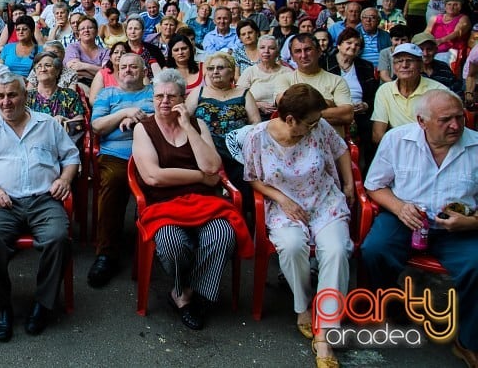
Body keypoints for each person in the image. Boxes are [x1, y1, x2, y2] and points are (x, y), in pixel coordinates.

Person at [362, 89, 478, 367]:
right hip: (406, 217)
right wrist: (400, 207)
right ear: (421, 121)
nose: (455, 126)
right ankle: (390, 307)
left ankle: (469, 341)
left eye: (459, 118)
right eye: (445, 120)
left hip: (459, 225)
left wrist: (472, 222)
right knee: (373, 250)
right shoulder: (397, 139)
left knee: (477, 263)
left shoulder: (475, 145)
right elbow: (374, 185)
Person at [131, 69, 252, 330]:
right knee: (172, 242)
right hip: (163, 204)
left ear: (183, 99)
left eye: (171, 96)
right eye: (159, 96)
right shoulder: (144, 129)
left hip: (204, 202)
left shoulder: (198, 125)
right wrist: (199, 176)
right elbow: (153, 177)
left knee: (222, 235)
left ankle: (198, 295)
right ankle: (181, 289)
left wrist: (187, 126)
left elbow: (213, 166)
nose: (164, 101)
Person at [243, 84, 355, 365]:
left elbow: (341, 150)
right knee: (292, 247)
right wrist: (281, 198)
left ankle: (325, 333)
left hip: (324, 201)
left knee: (337, 250)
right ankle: (302, 305)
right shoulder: (257, 137)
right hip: (285, 205)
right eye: (310, 121)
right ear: (290, 118)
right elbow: (253, 177)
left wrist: (350, 183)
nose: (316, 125)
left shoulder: (319, 129)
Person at [0, 73, 80, 341]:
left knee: (58, 238)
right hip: (4, 201)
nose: (6, 102)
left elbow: (71, 157)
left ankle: (42, 304)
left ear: (25, 96)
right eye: (1, 96)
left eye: (12, 95)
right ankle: (2, 307)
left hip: (44, 200)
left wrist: (64, 178)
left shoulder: (48, 124)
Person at [88, 53, 154, 288]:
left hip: (150, 155)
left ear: (144, 71)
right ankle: (106, 253)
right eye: (123, 66)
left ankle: (152, 246)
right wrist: (123, 114)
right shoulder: (108, 94)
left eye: (133, 67)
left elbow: (167, 121)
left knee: (155, 186)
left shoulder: (154, 93)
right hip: (116, 154)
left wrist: (143, 120)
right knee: (113, 183)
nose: (127, 70)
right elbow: (97, 127)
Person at [186, 52, 261, 206]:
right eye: (211, 68)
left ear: (232, 72)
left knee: (244, 178)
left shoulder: (244, 93)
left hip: (237, 152)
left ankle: (243, 218)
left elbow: (256, 124)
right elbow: (183, 120)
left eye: (220, 68)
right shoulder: (198, 93)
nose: (215, 72)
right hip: (206, 150)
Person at [370, 42, 449, 145]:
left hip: (429, 148)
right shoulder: (385, 90)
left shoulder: (438, 91)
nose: (404, 65)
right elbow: (377, 135)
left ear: (421, 66)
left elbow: (444, 131)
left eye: (410, 61)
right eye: (399, 61)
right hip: (396, 147)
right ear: (394, 67)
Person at [26, 52, 84, 133]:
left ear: (57, 71)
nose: (43, 69)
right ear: (35, 72)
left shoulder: (70, 95)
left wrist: (65, 120)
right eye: (39, 66)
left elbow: (80, 122)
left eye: (48, 65)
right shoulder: (26, 97)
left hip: (62, 141)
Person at [65, 16, 109, 89]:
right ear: (78, 34)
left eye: (90, 28)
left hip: (100, 85)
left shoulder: (106, 52)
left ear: (96, 32)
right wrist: (98, 71)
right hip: (77, 83)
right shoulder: (72, 47)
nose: (86, 30)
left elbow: (107, 74)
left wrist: (83, 66)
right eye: (82, 29)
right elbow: (75, 70)